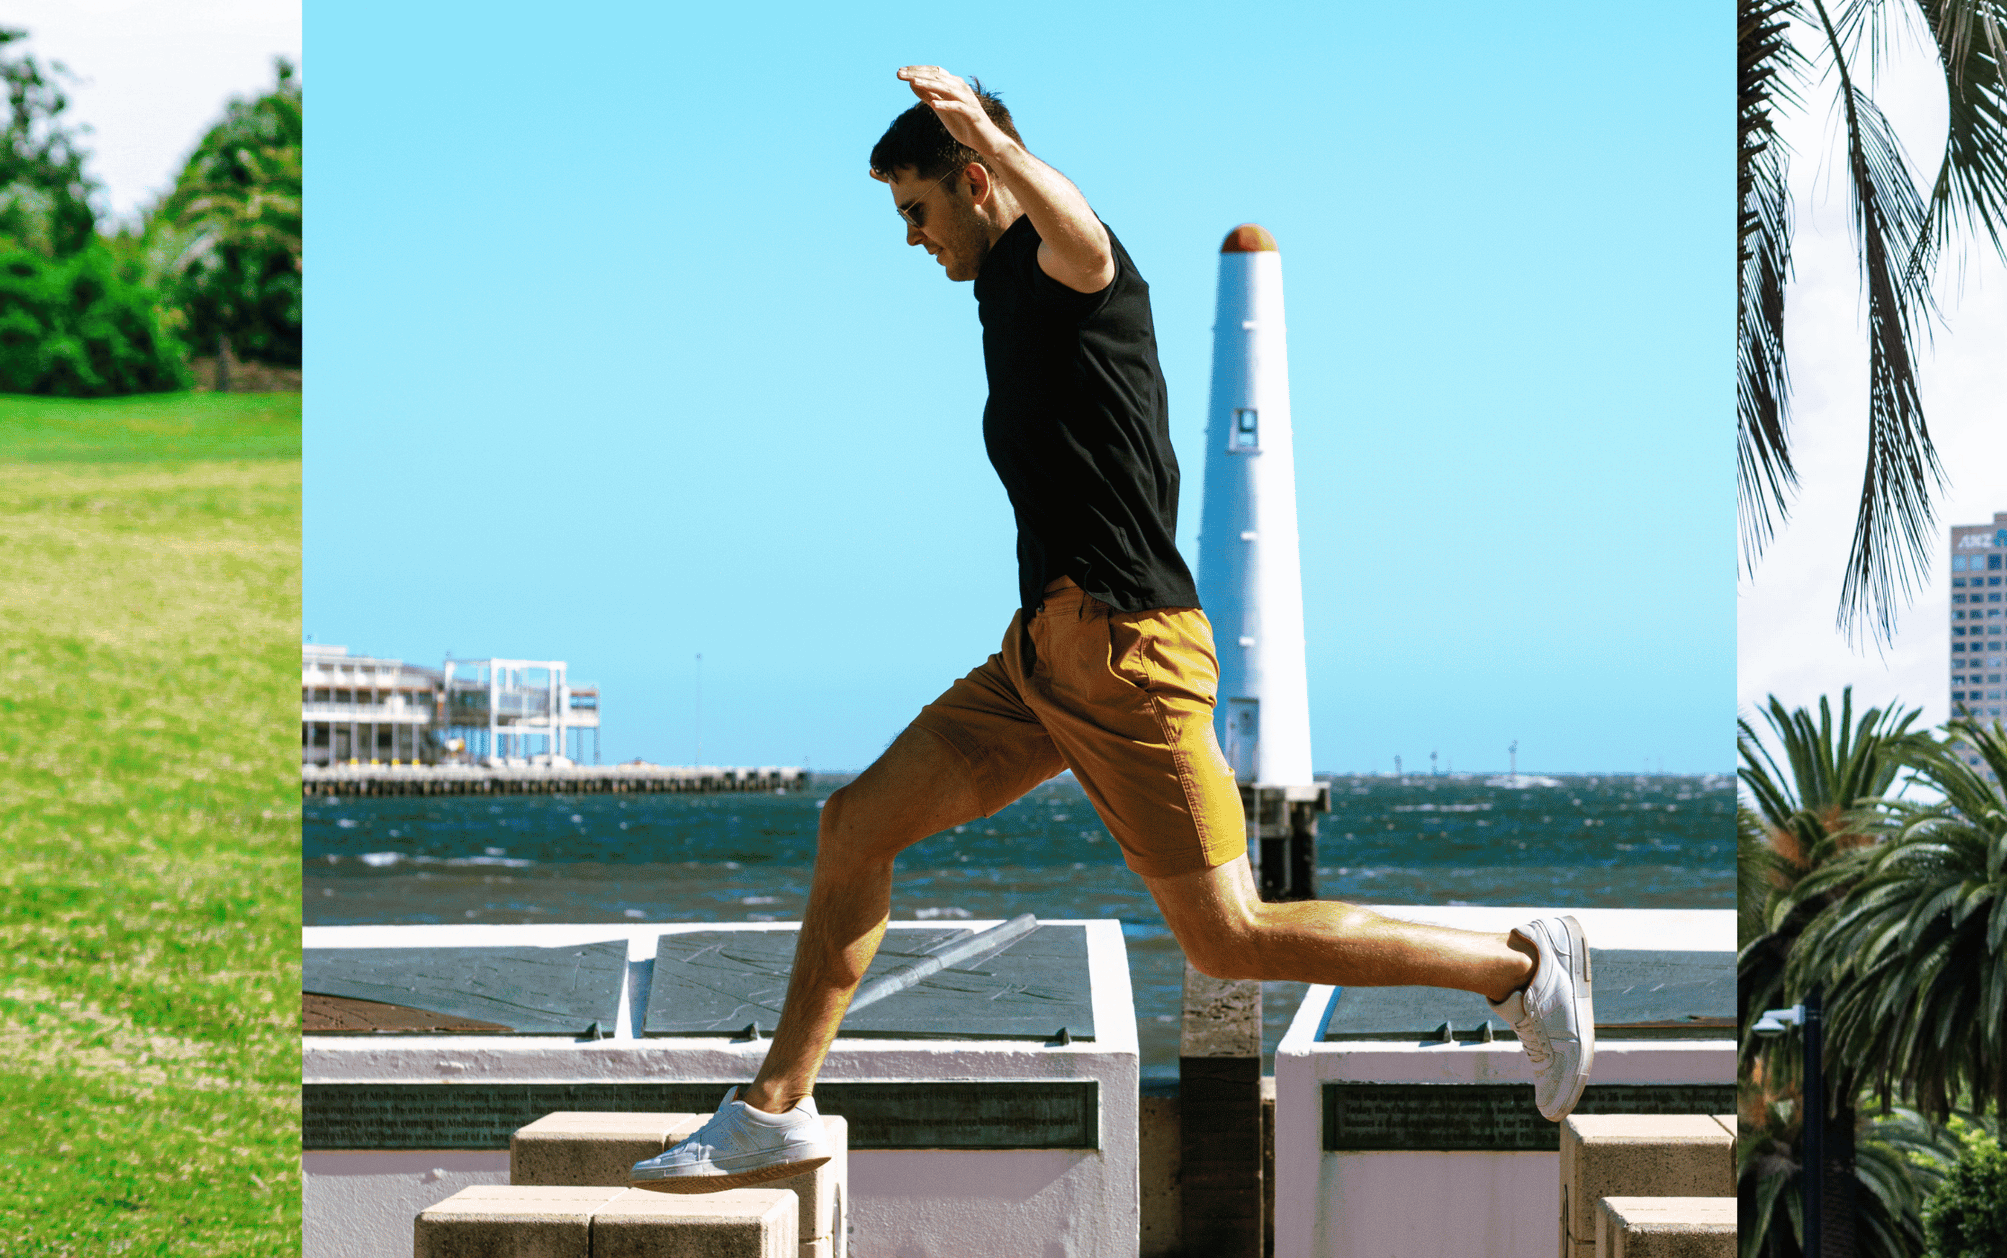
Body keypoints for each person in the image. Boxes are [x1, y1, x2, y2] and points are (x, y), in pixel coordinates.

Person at [626, 70, 1608, 1195]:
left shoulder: (1080, 275)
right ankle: (772, 1111)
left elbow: (1082, 235)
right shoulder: (1000, 293)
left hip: (1133, 658)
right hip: (1039, 661)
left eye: (917, 208)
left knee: (1228, 936)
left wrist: (988, 129)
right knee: (854, 826)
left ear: (979, 182)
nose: (908, 237)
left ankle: (1520, 969)